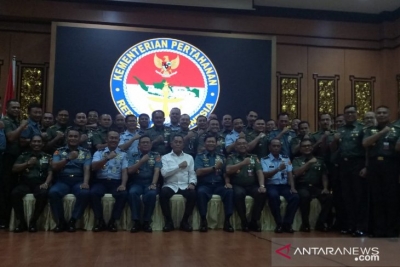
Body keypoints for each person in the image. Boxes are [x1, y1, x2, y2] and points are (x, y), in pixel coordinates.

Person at [330, 105, 367, 237]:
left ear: (357, 114)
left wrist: (366, 166)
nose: (349, 115)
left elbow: (367, 149)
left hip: (357, 164)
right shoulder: (341, 130)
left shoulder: (362, 128)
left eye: (352, 112)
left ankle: (360, 227)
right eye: (347, 113)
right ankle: (350, 225)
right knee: (346, 197)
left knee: (359, 196)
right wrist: (334, 140)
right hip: (343, 165)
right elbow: (334, 149)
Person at [366, 106, 400, 237]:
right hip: (375, 166)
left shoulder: (397, 130)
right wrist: (381, 133)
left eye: (384, 112)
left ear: (389, 114)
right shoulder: (370, 130)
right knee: (376, 198)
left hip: (391, 165)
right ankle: (378, 230)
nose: (381, 115)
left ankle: (392, 230)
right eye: (378, 113)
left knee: (391, 198)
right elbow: (365, 144)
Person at [48, 129, 92, 232]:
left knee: (85, 193)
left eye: (75, 136)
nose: (73, 138)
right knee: (53, 192)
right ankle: (61, 222)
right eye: (70, 136)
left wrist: (85, 182)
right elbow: (54, 166)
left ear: (79, 138)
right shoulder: (59, 151)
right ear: (67, 138)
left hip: (78, 180)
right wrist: (68, 158)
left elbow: (87, 168)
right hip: (63, 180)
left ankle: (73, 221)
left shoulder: (86, 152)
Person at [11, 135, 52, 232]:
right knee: (14, 194)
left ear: (42, 144)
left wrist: (46, 183)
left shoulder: (48, 157)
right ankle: (22, 223)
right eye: (34, 142)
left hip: (40, 183)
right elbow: (14, 169)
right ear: (30, 143)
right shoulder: (24, 155)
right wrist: (27, 163)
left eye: (39, 142)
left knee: (43, 194)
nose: (36, 144)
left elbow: (51, 172)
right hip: (25, 182)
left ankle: (33, 222)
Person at [90, 131, 128, 232]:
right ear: (106, 139)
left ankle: (113, 221)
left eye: (116, 138)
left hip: (116, 181)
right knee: (93, 193)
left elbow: (124, 171)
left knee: (123, 194)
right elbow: (93, 167)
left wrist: (123, 184)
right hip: (101, 181)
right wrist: (107, 158)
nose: (113, 140)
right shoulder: (99, 152)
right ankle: (100, 221)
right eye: (111, 138)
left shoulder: (123, 154)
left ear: (119, 140)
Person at [226, 138, 266, 232]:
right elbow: (228, 170)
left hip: (252, 185)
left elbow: (259, 172)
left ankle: (254, 221)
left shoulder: (254, 157)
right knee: (239, 194)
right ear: (235, 147)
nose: (242, 145)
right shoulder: (231, 157)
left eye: (244, 143)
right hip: (237, 184)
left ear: (247, 146)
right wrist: (242, 163)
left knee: (262, 193)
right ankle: (244, 221)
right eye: (239, 144)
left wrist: (262, 186)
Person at [195, 134, 234, 232]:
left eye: (213, 142)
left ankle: (227, 221)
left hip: (219, 184)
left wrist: (227, 182)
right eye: (208, 141)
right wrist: (214, 168)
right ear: (205, 143)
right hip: (205, 184)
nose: (211, 143)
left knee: (229, 191)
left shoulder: (221, 157)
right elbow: (198, 172)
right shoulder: (199, 156)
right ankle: (203, 221)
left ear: (216, 144)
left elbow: (225, 173)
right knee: (200, 193)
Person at [292, 138, 333, 232]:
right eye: (304, 146)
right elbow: (296, 173)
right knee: (305, 196)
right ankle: (305, 224)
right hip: (302, 186)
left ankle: (321, 223)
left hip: (316, 187)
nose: (307, 148)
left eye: (309, 146)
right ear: (300, 149)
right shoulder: (296, 160)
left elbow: (324, 175)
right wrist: (309, 163)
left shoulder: (320, 160)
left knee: (329, 197)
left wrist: (325, 188)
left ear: (312, 147)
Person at [0, 99, 28, 228]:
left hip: (17, 157)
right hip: (7, 159)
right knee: (5, 189)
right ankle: (3, 220)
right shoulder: (5, 121)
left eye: (18, 107)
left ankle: (11, 218)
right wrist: (22, 126)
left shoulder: (16, 122)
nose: (16, 110)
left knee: (13, 188)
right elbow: (10, 138)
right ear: (7, 109)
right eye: (13, 107)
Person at [160, 134, 197, 232]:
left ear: (183, 145)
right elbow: (164, 173)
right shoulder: (165, 157)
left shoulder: (189, 157)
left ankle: (185, 221)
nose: (178, 144)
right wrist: (179, 166)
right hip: (170, 185)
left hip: (185, 185)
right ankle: (169, 222)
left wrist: (192, 183)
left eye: (180, 142)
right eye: (175, 142)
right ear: (171, 144)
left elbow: (192, 173)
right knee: (163, 194)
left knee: (193, 194)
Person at [262, 139, 299, 233]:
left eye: (278, 146)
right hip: (271, 185)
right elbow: (265, 175)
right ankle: (279, 223)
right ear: (269, 147)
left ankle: (287, 223)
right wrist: (278, 169)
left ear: (280, 147)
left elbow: (290, 173)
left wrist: (292, 187)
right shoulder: (264, 159)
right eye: (274, 146)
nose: (276, 148)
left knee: (295, 197)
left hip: (284, 185)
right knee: (273, 196)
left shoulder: (286, 158)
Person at [127, 135, 161, 233]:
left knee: (151, 194)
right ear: (138, 145)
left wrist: (154, 183)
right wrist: (141, 161)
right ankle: (136, 221)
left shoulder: (156, 155)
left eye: (147, 142)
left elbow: (157, 170)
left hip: (149, 182)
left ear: (151, 144)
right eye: (143, 142)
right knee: (132, 193)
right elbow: (130, 171)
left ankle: (146, 222)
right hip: (136, 183)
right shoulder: (133, 155)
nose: (145, 144)